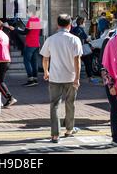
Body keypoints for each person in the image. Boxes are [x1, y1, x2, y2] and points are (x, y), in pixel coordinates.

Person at [40, 14, 83, 144]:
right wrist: (77, 78)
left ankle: (55, 135)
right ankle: (69, 129)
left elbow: (45, 58)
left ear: (58, 25)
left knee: (54, 105)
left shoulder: (51, 39)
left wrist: (46, 71)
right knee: (70, 103)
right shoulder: (75, 39)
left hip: (55, 77)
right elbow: (77, 60)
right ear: (70, 25)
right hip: (70, 77)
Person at [0, 20, 17, 108]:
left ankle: (10, 97)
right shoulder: (4, 34)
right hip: (6, 59)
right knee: (0, 81)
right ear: (1, 27)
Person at [17, 5, 42, 87]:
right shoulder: (38, 19)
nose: (27, 12)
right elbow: (37, 32)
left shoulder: (31, 20)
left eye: (27, 10)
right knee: (34, 62)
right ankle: (35, 79)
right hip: (36, 44)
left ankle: (30, 80)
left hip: (30, 44)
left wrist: (15, 30)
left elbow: (25, 32)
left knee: (26, 61)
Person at [72, 17, 98, 84]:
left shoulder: (73, 29)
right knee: (88, 62)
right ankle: (90, 77)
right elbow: (86, 38)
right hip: (81, 49)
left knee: (74, 63)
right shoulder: (81, 30)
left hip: (73, 49)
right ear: (81, 22)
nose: (85, 24)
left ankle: (73, 76)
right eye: (84, 22)